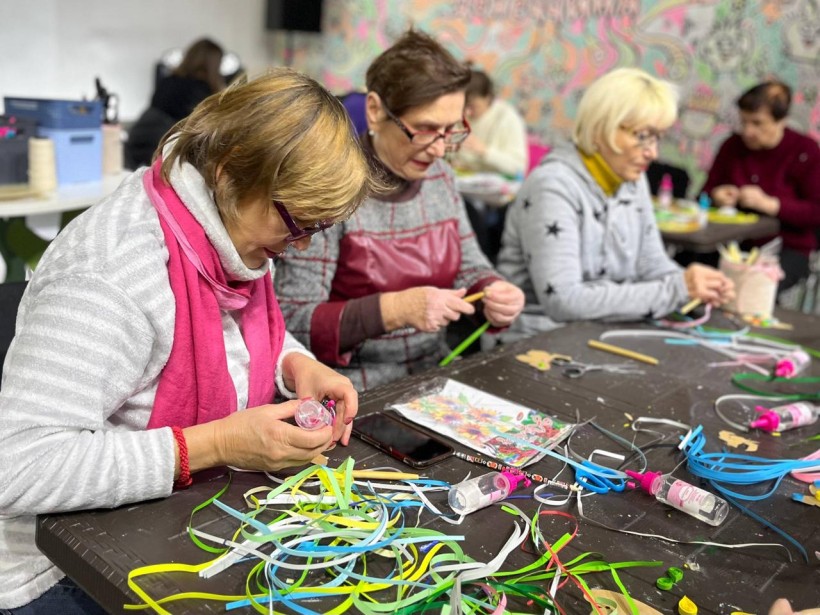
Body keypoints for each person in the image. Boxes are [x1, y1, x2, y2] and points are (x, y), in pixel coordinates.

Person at [0, 68, 376, 613]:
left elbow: (235, 333)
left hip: (162, 519)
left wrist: (294, 364)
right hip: (57, 565)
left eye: (314, 229)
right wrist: (215, 445)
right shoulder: (114, 272)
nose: (297, 246)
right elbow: (17, 466)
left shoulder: (226, 229)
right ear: (228, 171)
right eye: (296, 222)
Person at [274, 30, 525, 391]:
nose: (440, 149)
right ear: (375, 111)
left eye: (451, 131)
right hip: (355, 390)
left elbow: (470, 263)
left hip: (435, 377)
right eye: (425, 130)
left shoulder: (439, 174)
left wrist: (492, 291)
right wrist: (396, 310)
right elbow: (293, 324)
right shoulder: (332, 187)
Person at [496, 68, 734, 336]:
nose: (652, 153)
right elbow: (563, 300)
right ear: (601, 128)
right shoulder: (552, 186)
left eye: (657, 137)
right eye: (642, 136)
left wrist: (694, 283)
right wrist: (677, 289)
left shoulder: (632, 179)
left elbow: (651, 263)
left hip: (602, 331)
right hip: (535, 340)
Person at [701, 80, 820, 291]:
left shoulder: (806, 151)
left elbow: (816, 212)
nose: (748, 131)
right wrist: (716, 196)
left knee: (752, 289)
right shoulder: (732, 146)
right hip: (729, 242)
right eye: (744, 122)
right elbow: (704, 195)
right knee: (693, 271)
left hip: (785, 247)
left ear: (781, 120)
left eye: (757, 123)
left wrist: (772, 205)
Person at [125, 37, 227, 169]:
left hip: (137, 136)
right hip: (162, 144)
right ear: (214, 64)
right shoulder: (203, 90)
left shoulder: (168, 80)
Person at [449, 68, 528, 178]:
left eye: (473, 106)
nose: (467, 113)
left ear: (488, 98)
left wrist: (484, 151)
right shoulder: (457, 115)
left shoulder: (507, 118)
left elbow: (519, 167)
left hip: (496, 188)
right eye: (463, 106)